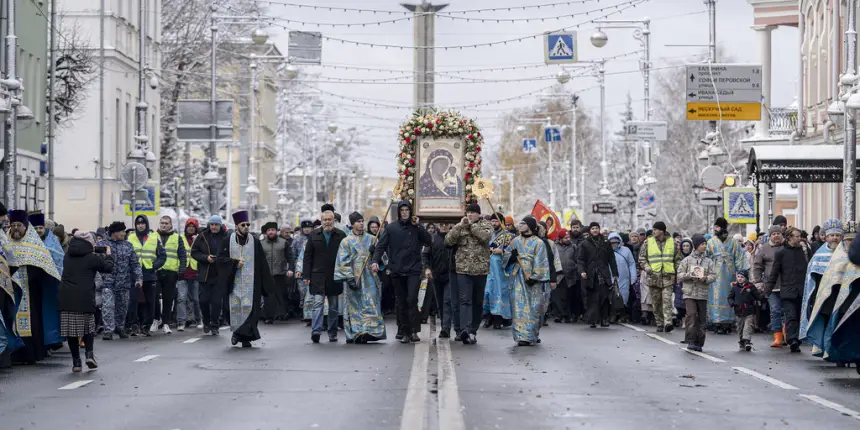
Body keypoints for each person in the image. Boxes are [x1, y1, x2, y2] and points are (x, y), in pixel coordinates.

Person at [1, 210, 62, 364]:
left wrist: (28, 276)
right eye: (13, 225)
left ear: (26, 227)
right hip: (11, 292)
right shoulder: (5, 244)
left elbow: (45, 268)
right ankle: (14, 353)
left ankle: (31, 353)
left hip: (30, 291)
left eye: (19, 225)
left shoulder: (35, 245)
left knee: (32, 322)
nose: (15, 228)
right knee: (10, 321)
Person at [372, 201, 432, 344]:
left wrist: (419, 225)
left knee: (412, 299)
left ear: (410, 211)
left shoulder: (416, 227)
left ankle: (414, 331)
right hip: (397, 270)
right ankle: (404, 331)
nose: (404, 212)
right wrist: (375, 260)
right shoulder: (391, 228)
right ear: (398, 212)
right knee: (401, 301)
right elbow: (381, 246)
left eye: (407, 210)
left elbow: (429, 240)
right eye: (402, 210)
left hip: (413, 269)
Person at [58, 231, 114, 372]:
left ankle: (76, 363)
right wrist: (108, 255)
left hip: (66, 297)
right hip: (84, 297)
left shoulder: (67, 256)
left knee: (71, 331)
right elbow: (108, 268)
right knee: (87, 328)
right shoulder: (91, 258)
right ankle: (89, 355)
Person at [216, 211, 273, 347]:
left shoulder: (255, 241)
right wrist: (234, 263)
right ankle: (237, 333)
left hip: (252, 283)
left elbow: (262, 263)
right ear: (237, 227)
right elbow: (220, 259)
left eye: (248, 224)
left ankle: (245, 338)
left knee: (250, 309)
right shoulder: (227, 240)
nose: (246, 227)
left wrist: (267, 284)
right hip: (233, 283)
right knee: (234, 308)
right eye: (243, 224)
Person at [334, 212, 386, 343]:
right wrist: (349, 278)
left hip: (370, 277)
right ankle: (356, 332)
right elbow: (342, 261)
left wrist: (376, 256)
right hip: (354, 277)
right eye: (358, 221)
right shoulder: (346, 241)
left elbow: (383, 258)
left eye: (362, 221)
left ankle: (371, 331)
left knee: (371, 303)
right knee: (354, 305)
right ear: (352, 224)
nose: (361, 223)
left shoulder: (372, 239)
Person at [445, 203, 492, 345]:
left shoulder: (486, 224)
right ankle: (465, 330)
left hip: (480, 270)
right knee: (465, 300)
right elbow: (448, 240)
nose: (470, 215)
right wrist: (459, 227)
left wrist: (471, 226)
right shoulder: (461, 225)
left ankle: (473, 329)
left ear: (478, 214)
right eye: (468, 212)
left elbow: (485, 237)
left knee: (477, 302)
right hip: (463, 270)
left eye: (473, 213)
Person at [303, 205, 348, 343]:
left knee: (334, 307)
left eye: (330, 219)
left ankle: (332, 332)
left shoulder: (341, 235)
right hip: (317, 276)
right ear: (321, 220)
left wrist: (345, 273)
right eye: (325, 220)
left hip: (335, 276)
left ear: (334, 220)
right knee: (317, 304)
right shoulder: (313, 235)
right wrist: (306, 275)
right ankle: (316, 331)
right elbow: (308, 256)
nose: (327, 222)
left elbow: (345, 255)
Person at [765, 226, 810, 353]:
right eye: (797, 236)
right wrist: (767, 290)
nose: (799, 238)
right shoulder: (781, 252)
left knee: (799, 316)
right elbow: (774, 273)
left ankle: (797, 338)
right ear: (789, 237)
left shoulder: (804, 251)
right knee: (790, 316)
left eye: (800, 236)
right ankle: (792, 340)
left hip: (802, 290)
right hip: (788, 291)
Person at [507, 217, 550, 346]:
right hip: (517, 277)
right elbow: (505, 258)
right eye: (520, 223)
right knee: (518, 307)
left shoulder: (538, 243)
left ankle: (532, 334)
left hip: (531, 277)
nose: (520, 225)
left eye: (523, 223)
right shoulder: (514, 241)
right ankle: (521, 336)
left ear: (530, 226)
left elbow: (541, 260)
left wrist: (535, 277)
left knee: (534, 307)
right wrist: (511, 257)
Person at [800, 218, 841, 343]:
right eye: (832, 235)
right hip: (824, 296)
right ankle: (825, 345)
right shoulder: (819, 254)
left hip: (841, 294)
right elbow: (812, 277)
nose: (835, 238)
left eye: (837, 235)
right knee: (826, 319)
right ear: (826, 237)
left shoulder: (846, 253)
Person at [98, 222, 142, 340]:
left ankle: (120, 327)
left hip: (124, 282)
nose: (124, 233)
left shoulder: (128, 246)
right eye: (122, 231)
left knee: (122, 307)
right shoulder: (101, 245)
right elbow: (95, 263)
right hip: (107, 282)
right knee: (108, 306)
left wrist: (139, 278)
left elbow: (135, 264)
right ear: (115, 233)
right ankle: (108, 330)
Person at [705, 217, 749, 334]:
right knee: (715, 297)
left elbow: (740, 258)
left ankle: (728, 322)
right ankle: (716, 321)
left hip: (730, 274)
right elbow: (706, 258)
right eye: (717, 227)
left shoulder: (733, 242)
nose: (718, 229)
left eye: (720, 227)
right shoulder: (710, 242)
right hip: (715, 275)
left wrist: (742, 273)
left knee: (729, 296)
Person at [28, 212, 64, 349]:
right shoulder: (27, 242)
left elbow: (59, 262)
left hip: (48, 284)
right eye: (35, 228)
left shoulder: (52, 242)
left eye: (40, 228)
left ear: (45, 228)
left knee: (47, 313)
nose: (38, 231)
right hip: (31, 284)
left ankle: (51, 341)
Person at [127, 215, 166, 337]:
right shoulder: (131, 238)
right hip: (134, 273)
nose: (140, 225)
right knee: (133, 300)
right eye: (138, 224)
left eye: (143, 223)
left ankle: (146, 325)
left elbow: (162, 255)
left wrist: (155, 266)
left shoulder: (154, 237)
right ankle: (133, 324)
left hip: (149, 273)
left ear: (146, 225)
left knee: (150, 301)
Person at [638, 221, 681, 333]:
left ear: (662, 230)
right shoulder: (648, 242)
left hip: (668, 277)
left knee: (667, 301)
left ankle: (668, 323)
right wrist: (647, 268)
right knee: (656, 303)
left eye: (655, 229)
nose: (653, 231)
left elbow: (677, 259)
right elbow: (642, 258)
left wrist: (678, 273)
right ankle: (660, 323)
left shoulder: (672, 242)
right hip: (653, 277)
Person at [677, 234, 716, 352]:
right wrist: (688, 275)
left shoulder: (708, 261)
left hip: (703, 294)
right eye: (702, 244)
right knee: (692, 315)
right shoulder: (687, 260)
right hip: (689, 293)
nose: (704, 246)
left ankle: (699, 342)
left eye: (705, 244)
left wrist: (705, 278)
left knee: (702, 319)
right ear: (696, 246)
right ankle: (691, 340)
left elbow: (713, 276)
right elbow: (679, 274)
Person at [190, 215, 228, 335]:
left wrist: (222, 260)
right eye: (211, 224)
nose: (213, 227)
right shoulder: (202, 236)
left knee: (217, 302)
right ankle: (206, 321)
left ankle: (215, 325)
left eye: (216, 225)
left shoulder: (226, 237)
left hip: (219, 274)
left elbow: (231, 252)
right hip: (205, 274)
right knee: (203, 301)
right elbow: (194, 252)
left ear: (220, 225)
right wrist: (206, 258)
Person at [577, 222, 618, 328]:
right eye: (593, 228)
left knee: (604, 297)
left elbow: (611, 259)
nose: (595, 230)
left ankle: (604, 319)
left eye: (596, 228)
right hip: (591, 275)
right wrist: (582, 271)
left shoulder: (606, 242)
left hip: (604, 274)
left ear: (599, 229)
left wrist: (615, 273)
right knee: (592, 298)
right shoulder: (585, 243)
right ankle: (593, 320)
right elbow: (581, 260)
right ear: (590, 231)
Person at [423, 222, 458, 338]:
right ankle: (444, 324)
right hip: (436, 274)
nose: (444, 226)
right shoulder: (432, 238)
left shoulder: (453, 238)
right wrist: (427, 268)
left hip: (450, 274)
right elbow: (425, 255)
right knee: (440, 302)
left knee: (447, 301)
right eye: (442, 224)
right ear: (438, 225)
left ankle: (446, 328)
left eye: (446, 224)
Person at [154, 215, 187, 334]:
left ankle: (166, 323)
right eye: (162, 223)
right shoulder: (153, 236)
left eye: (166, 223)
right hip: (156, 271)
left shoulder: (177, 237)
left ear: (171, 225)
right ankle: (156, 319)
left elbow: (182, 255)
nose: (163, 225)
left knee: (168, 299)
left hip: (171, 272)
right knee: (154, 297)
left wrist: (181, 270)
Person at [753, 225, 785, 347]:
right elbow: (757, 266)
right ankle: (778, 336)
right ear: (770, 236)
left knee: (787, 311)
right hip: (771, 285)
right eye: (773, 234)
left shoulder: (787, 246)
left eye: (778, 233)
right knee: (775, 310)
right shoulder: (764, 249)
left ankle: (788, 335)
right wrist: (758, 281)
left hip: (787, 284)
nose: (776, 235)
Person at [482, 213, 512, 330]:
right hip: (487, 268)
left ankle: (498, 319)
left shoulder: (508, 236)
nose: (493, 223)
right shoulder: (487, 235)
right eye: (492, 221)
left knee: (499, 293)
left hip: (500, 270)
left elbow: (513, 253)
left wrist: (502, 251)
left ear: (501, 223)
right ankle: (488, 317)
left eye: (496, 221)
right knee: (487, 292)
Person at [260, 221, 291, 324]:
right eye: (269, 230)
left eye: (273, 230)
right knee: (268, 297)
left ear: (276, 231)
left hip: (280, 273)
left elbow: (290, 257)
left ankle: (283, 314)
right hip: (266, 274)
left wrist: (290, 269)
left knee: (281, 295)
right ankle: (269, 316)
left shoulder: (284, 243)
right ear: (266, 232)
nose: (271, 232)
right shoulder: (261, 244)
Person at [727, 269, 763, 352]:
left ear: (746, 278)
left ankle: (747, 341)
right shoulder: (735, 287)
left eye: (742, 277)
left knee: (748, 327)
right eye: (738, 277)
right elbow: (730, 297)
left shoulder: (750, 287)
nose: (739, 279)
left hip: (749, 311)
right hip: (738, 311)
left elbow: (758, 296)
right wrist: (732, 303)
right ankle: (741, 341)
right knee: (740, 327)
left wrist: (761, 295)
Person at [179, 218, 201, 330]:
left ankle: (199, 319)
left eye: (193, 226)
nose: (191, 228)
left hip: (196, 272)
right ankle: (183, 321)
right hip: (183, 272)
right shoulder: (181, 238)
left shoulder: (200, 238)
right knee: (182, 298)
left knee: (196, 299)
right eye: (189, 226)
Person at [609, 233, 637, 323]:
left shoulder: (626, 250)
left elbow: (631, 264)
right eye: (612, 243)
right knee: (612, 296)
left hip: (624, 278)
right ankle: (613, 315)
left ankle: (622, 315)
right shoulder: (606, 251)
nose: (614, 244)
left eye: (616, 242)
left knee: (623, 297)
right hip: (611, 277)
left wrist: (633, 276)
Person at [293, 219, 314, 324]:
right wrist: (296, 268)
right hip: (300, 269)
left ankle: (312, 315)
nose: (307, 229)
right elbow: (293, 254)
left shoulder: (315, 238)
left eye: (309, 227)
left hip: (312, 269)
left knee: (312, 294)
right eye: (305, 227)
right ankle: (305, 313)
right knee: (303, 293)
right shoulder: (297, 239)